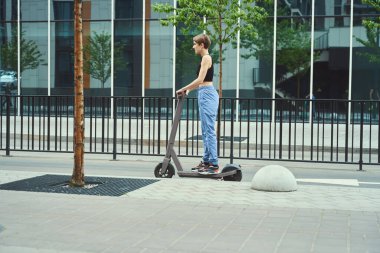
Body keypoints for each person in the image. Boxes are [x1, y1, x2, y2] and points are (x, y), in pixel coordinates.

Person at [176, 34, 219, 174]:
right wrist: (188, 91)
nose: (193, 46)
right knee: (205, 131)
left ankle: (214, 164)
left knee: (209, 131)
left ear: (202, 45)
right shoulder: (204, 59)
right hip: (203, 93)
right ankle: (206, 162)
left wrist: (184, 88)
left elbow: (200, 79)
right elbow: (200, 81)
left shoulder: (206, 58)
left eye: (195, 43)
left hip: (207, 94)